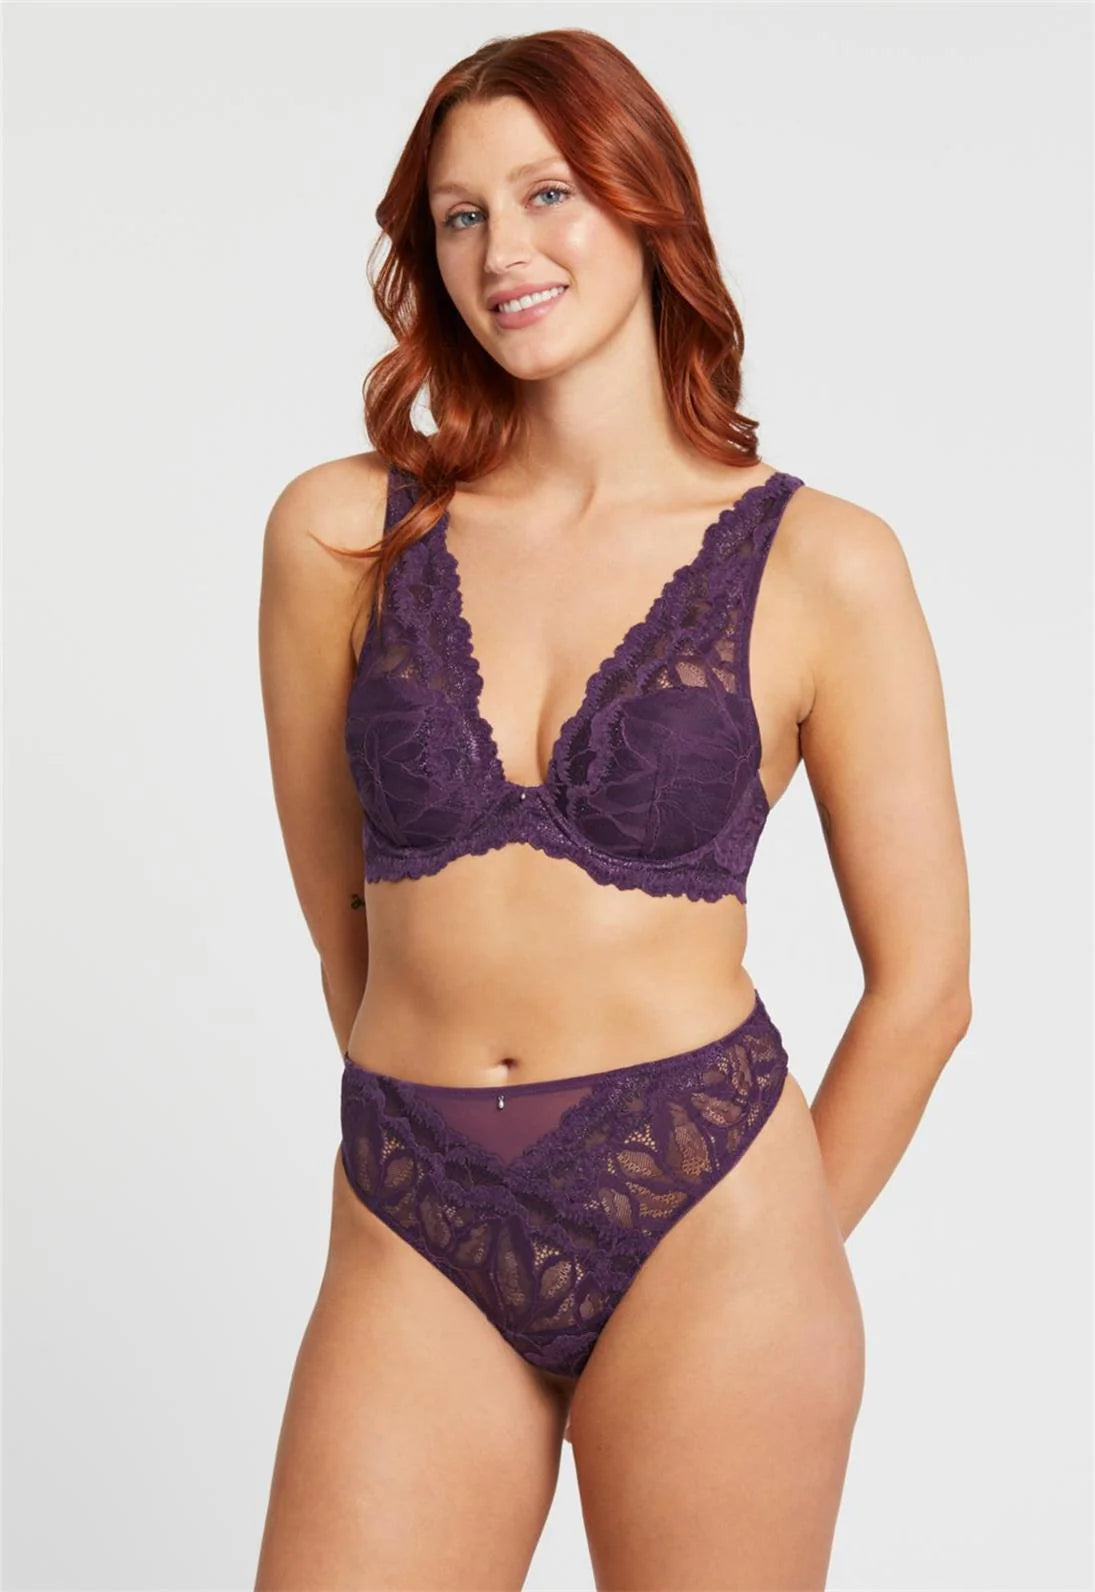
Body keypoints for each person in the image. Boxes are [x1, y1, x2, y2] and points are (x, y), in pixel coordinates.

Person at [253, 27, 971, 1591]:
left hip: (710, 1208)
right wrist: (439, 1110)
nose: (502, 250)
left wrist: (774, 1244)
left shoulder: (825, 563)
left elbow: (926, 993)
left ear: (646, 205)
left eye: (548, 194)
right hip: (416, 1200)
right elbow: (342, 922)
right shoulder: (341, 537)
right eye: (459, 216)